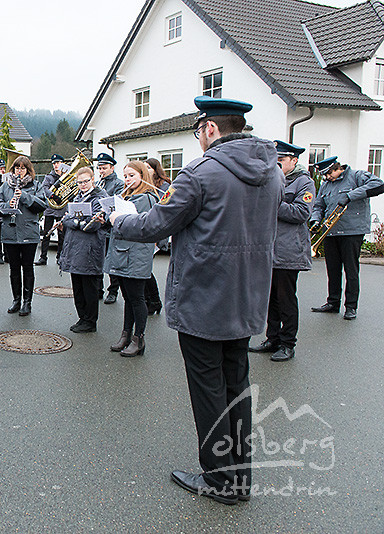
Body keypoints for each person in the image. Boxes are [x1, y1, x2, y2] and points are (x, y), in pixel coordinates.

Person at [109, 97, 282, 504]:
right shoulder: (272, 171)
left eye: (198, 132)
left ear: (209, 129)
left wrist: (119, 219)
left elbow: (156, 224)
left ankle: (220, 480)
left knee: (208, 389)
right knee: (236, 386)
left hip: (205, 297)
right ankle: (241, 475)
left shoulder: (201, 172)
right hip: (247, 297)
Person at [249, 141, 315, 361]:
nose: (276, 166)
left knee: (286, 300)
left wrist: (271, 203)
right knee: (270, 299)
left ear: (294, 161)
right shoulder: (271, 181)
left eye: (281, 161)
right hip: (268, 250)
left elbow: (301, 212)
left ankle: (288, 343)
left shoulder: (304, 182)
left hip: (288, 251)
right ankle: (273, 338)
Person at [309, 155, 383, 320]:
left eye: (328, 174)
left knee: (351, 270)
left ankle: (351, 306)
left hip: (352, 231)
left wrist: (350, 195)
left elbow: (379, 184)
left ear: (336, 168)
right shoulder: (326, 185)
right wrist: (315, 219)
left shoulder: (357, 176)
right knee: (333, 269)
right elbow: (319, 205)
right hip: (331, 231)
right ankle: (333, 302)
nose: (326, 178)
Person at [104, 161, 158, 355]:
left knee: (137, 298)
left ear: (142, 176)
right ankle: (126, 335)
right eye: (125, 176)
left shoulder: (145, 198)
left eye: (132, 176)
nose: (127, 180)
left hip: (136, 253)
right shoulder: (127, 197)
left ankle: (139, 339)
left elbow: (136, 224)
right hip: (123, 251)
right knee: (128, 297)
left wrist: (116, 217)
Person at [0, 155, 47, 316]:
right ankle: (16, 300)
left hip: (29, 233)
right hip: (10, 233)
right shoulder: (5, 186)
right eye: (17, 168)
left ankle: (27, 302)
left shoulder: (35, 185)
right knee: (14, 269)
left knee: (28, 268)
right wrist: (6, 205)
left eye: (23, 168)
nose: (20, 171)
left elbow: (42, 204)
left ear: (28, 170)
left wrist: (23, 196)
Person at [58, 167, 108, 332]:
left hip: (90, 250)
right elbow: (67, 219)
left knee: (89, 289)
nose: (83, 185)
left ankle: (90, 321)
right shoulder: (77, 197)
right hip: (75, 249)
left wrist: (76, 223)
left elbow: (93, 225)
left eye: (86, 181)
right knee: (78, 288)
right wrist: (77, 222)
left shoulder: (100, 198)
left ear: (92, 179)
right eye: (80, 182)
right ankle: (82, 318)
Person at [94, 152, 124, 304]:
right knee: (98, 259)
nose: (101, 171)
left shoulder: (118, 184)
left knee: (112, 261)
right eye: (99, 168)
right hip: (99, 226)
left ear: (112, 168)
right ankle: (98, 288)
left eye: (104, 168)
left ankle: (113, 291)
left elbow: (116, 204)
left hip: (110, 227)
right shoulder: (99, 183)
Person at [143, 158, 171, 314]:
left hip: (156, 234)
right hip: (146, 231)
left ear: (155, 169)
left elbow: (164, 212)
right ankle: (150, 300)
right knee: (143, 270)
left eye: (149, 167)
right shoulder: (144, 185)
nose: (146, 170)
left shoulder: (164, 186)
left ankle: (154, 301)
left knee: (145, 270)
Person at [36, 154, 70, 265]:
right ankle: (43, 257)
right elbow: (44, 188)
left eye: (58, 163)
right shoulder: (48, 177)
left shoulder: (68, 176)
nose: (56, 165)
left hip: (62, 208)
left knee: (62, 233)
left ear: (63, 163)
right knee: (47, 233)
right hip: (50, 208)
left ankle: (60, 256)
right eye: (54, 163)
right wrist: (52, 196)